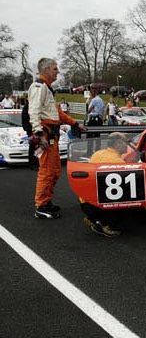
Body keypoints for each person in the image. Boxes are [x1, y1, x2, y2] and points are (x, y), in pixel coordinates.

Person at [28, 58, 85, 219]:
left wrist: (75, 123)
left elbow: (57, 113)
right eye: (55, 69)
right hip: (46, 135)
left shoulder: (47, 89)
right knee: (46, 171)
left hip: (52, 135)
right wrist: (39, 134)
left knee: (55, 171)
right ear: (45, 70)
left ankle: (46, 201)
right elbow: (34, 111)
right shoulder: (39, 87)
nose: (57, 71)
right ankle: (41, 206)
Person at [82, 132, 129, 237]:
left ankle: (93, 218)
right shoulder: (119, 162)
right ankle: (107, 225)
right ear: (118, 144)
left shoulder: (97, 153)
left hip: (86, 202)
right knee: (129, 197)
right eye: (126, 142)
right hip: (100, 204)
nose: (127, 145)